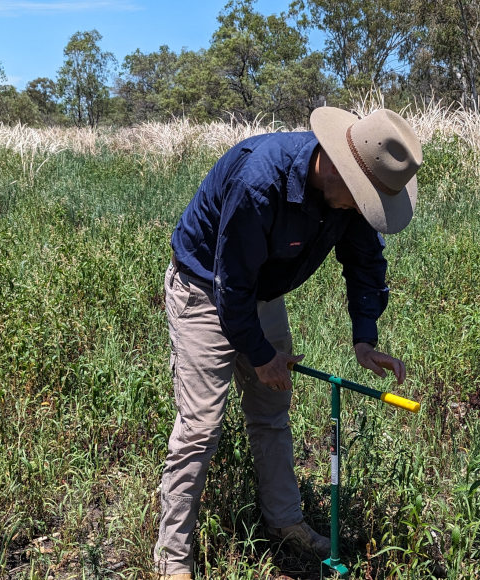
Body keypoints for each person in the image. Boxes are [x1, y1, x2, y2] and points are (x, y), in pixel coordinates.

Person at [154, 106, 423, 579]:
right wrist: (259, 355)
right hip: (204, 287)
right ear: (339, 167)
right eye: (363, 200)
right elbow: (230, 284)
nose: (364, 211)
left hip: (260, 292)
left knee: (272, 410)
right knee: (200, 428)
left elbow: (364, 264)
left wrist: (364, 338)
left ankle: (284, 521)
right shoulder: (259, 181)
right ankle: (173, 556)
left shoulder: (351, 197)